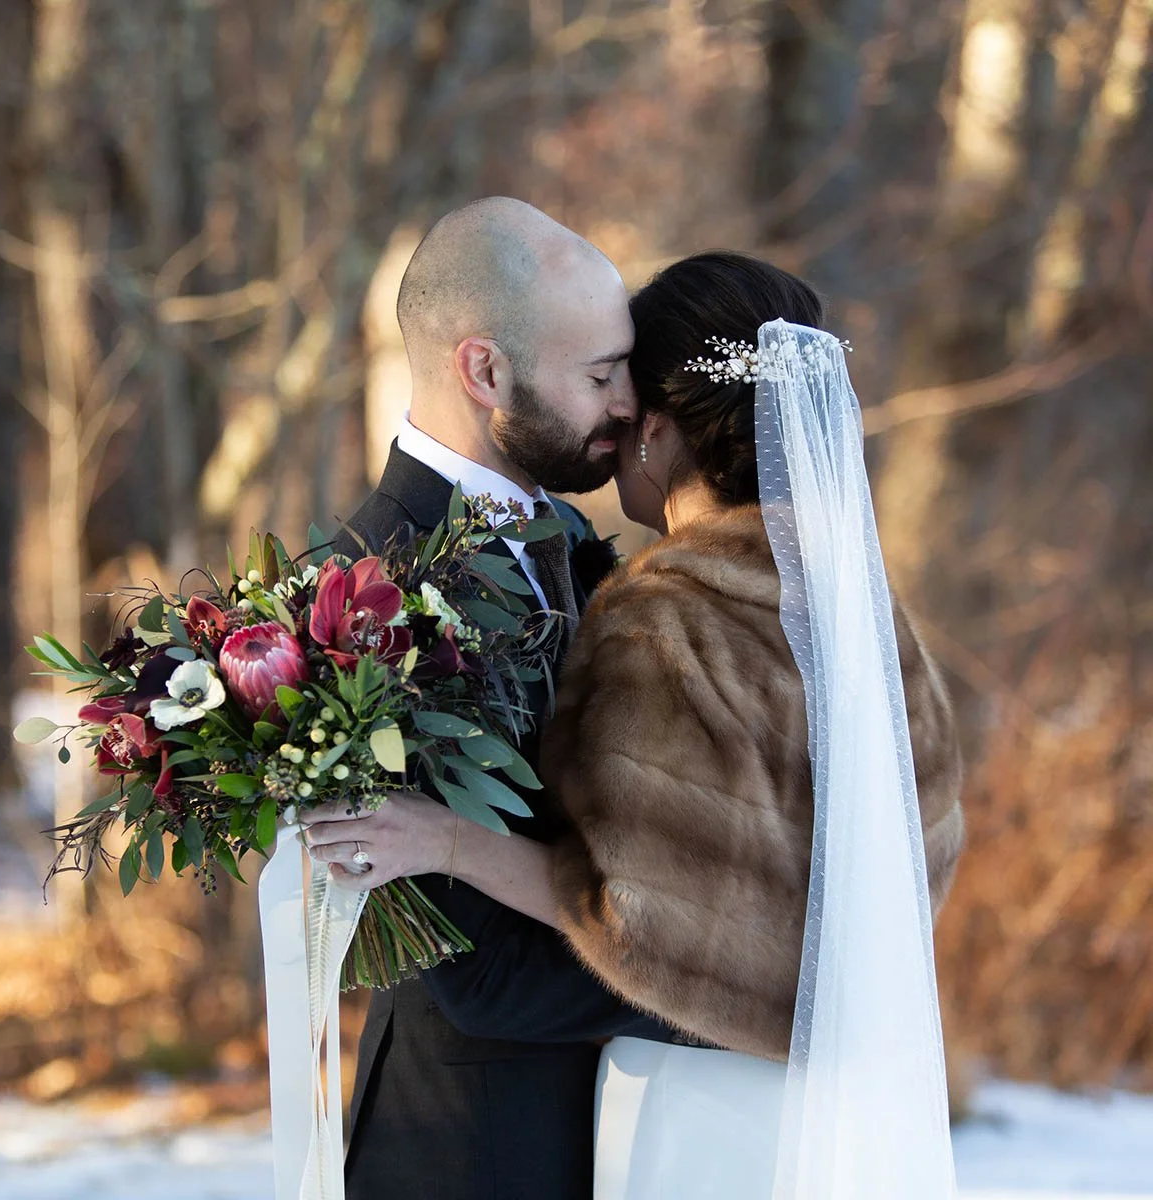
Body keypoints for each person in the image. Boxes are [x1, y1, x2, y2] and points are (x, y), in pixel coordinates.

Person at [304, 250, 966, 1196]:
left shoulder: (660, 610)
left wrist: (449, 841)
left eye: (621, 390)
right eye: (596, 377)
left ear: (660, 431)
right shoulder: (868, 616)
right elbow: (901, 883)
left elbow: (642, 926)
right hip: (826, 1113)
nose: (609, 428)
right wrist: (818, 994)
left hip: (688, 1109)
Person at [306, 196, 678, 1200]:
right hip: (474, 1150)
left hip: (642, 1130)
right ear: (485, 370)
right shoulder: (360, 598)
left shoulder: (571, 533)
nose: (628, 406)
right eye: (599, 374)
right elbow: (481, 976)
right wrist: (737, 992)